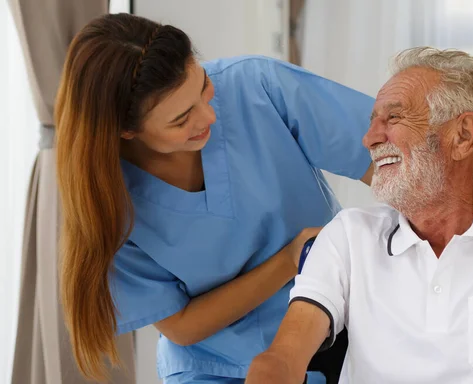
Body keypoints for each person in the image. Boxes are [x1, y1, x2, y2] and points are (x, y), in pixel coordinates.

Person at [246, 47, 473, 384]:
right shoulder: (349, 235)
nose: (369, 138)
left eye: (393, 117)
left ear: (462, 136)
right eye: (373, 122)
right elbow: (283, 358)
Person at [55, 13, 374, 384]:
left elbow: (384, 157)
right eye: (181, 119)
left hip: (341, 323)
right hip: (219, 367)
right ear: (126, 130)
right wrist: (291, 258)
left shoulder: (256, 87)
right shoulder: (108, 204)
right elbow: (181, 326)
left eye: (203, 86)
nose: (209, 115)